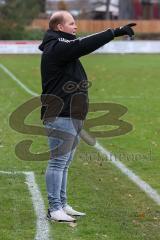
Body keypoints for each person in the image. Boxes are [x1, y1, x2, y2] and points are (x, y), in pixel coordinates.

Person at [39, 11, 136, 222]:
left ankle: (62, 204)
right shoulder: (56, 48)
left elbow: (79, 46)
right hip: (60, 114)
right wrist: (114, 32)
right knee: (57, 162)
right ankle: (54, 208)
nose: (76, 26)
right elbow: (83, 45)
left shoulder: (63, 48)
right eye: (72, 23)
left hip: (72, 113)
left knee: (64, 163)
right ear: (59, 28)